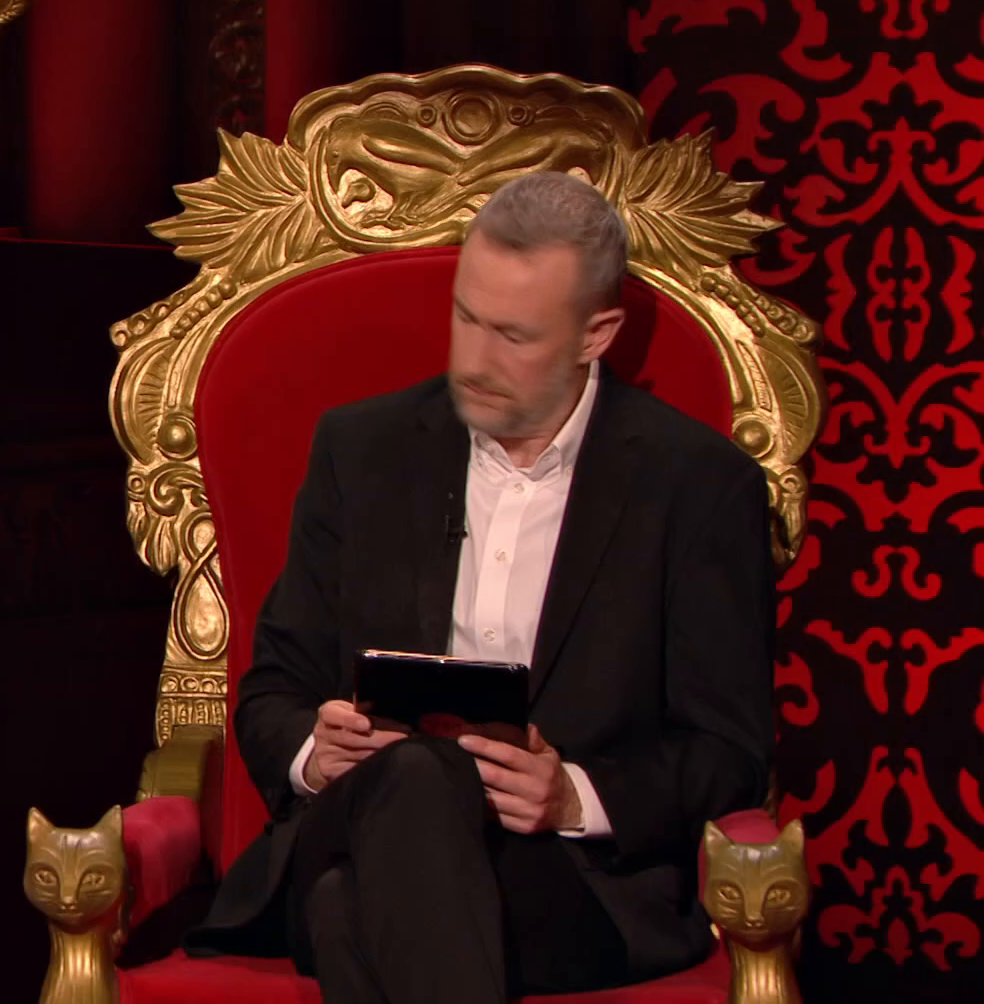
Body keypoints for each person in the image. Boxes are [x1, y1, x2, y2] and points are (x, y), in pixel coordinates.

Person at [186, 172, 775, 1002]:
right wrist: (317, 752)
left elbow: (729, 751)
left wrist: (572, 796)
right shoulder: (363, 451)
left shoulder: (697, 486)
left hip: (568, 881)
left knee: (343, 909)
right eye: (465, 317)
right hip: (350, 818)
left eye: (513, 335)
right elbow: (272, 691)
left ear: (597, 334)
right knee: (414, 781)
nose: (474, 360)